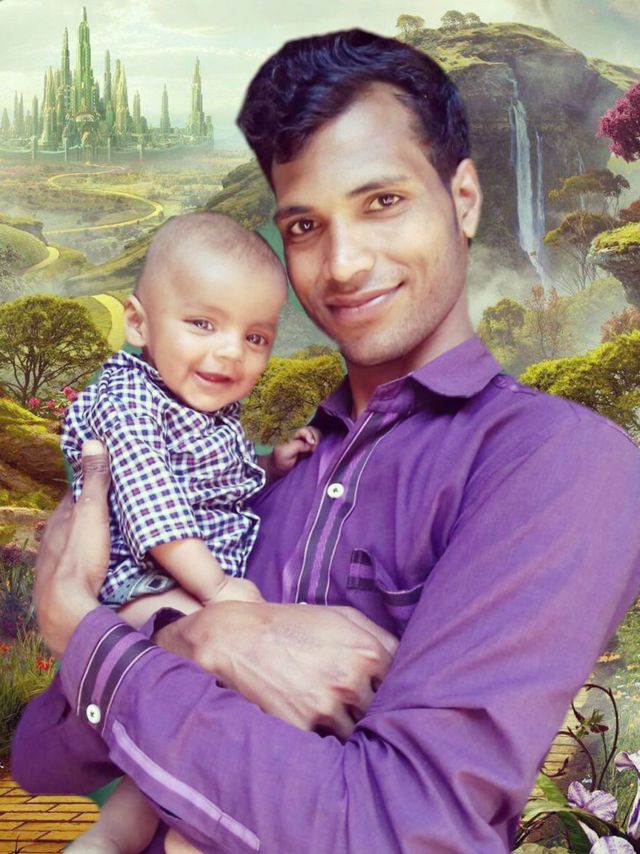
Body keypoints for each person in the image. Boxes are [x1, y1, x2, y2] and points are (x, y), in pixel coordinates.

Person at [12, 29, 640, 853]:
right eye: (306, 225)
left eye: (382, 202)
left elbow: (405, 832)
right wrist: (195, 638)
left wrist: (78, 622)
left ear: (463, 200)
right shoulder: (255, 478)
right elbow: (42, 754)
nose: (342, 264)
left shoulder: (562, 464)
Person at [59, 211, 319, 852]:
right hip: (145, 584)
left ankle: (136, 832)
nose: (230, 351)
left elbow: (215, 484)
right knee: (234, 690)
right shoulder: (129, 399)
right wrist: (220, 591)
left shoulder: (198, 404)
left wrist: (270, 466)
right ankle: (176, 832)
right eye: (203, 323)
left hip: (180, 581)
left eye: (255, 337)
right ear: (139, 323)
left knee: (203, 717)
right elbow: (155, 509)